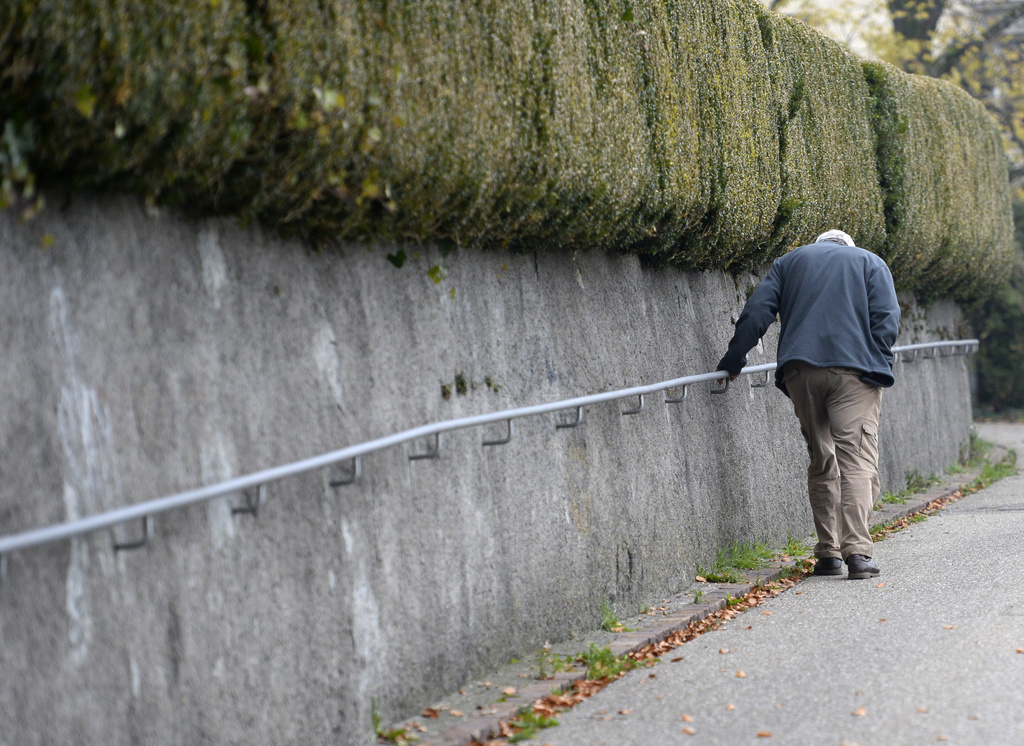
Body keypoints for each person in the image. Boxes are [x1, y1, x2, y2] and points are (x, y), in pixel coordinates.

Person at [716, 229, 901, 580]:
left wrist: (734, 358)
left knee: (822, 458)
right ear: (848, 245)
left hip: (801, 371)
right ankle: (858, 553)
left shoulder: (789, 262)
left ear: (817, 246)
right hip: (855, 372)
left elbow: (759, 310)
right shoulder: (869, 262)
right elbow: (886, 317)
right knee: (857, 460)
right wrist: (878, 362)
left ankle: (828, 553)